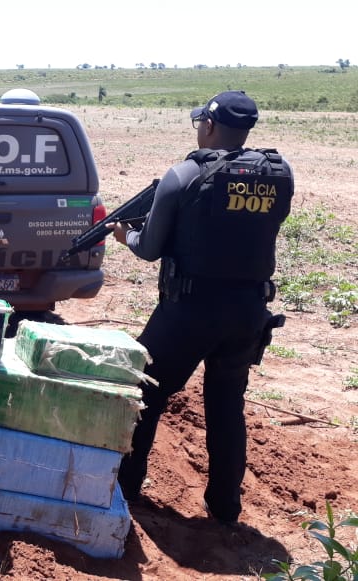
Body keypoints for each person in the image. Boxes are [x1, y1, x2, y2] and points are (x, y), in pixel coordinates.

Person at [109, 91, 294, 525]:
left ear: (208, 126)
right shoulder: (279, 174)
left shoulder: (184, 175)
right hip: (249, 309)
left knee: (145, 391)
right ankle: (225, 506)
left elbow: (149, 248)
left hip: (189, 309)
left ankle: (126, 487)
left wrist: (124, 235)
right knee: (227, 403)